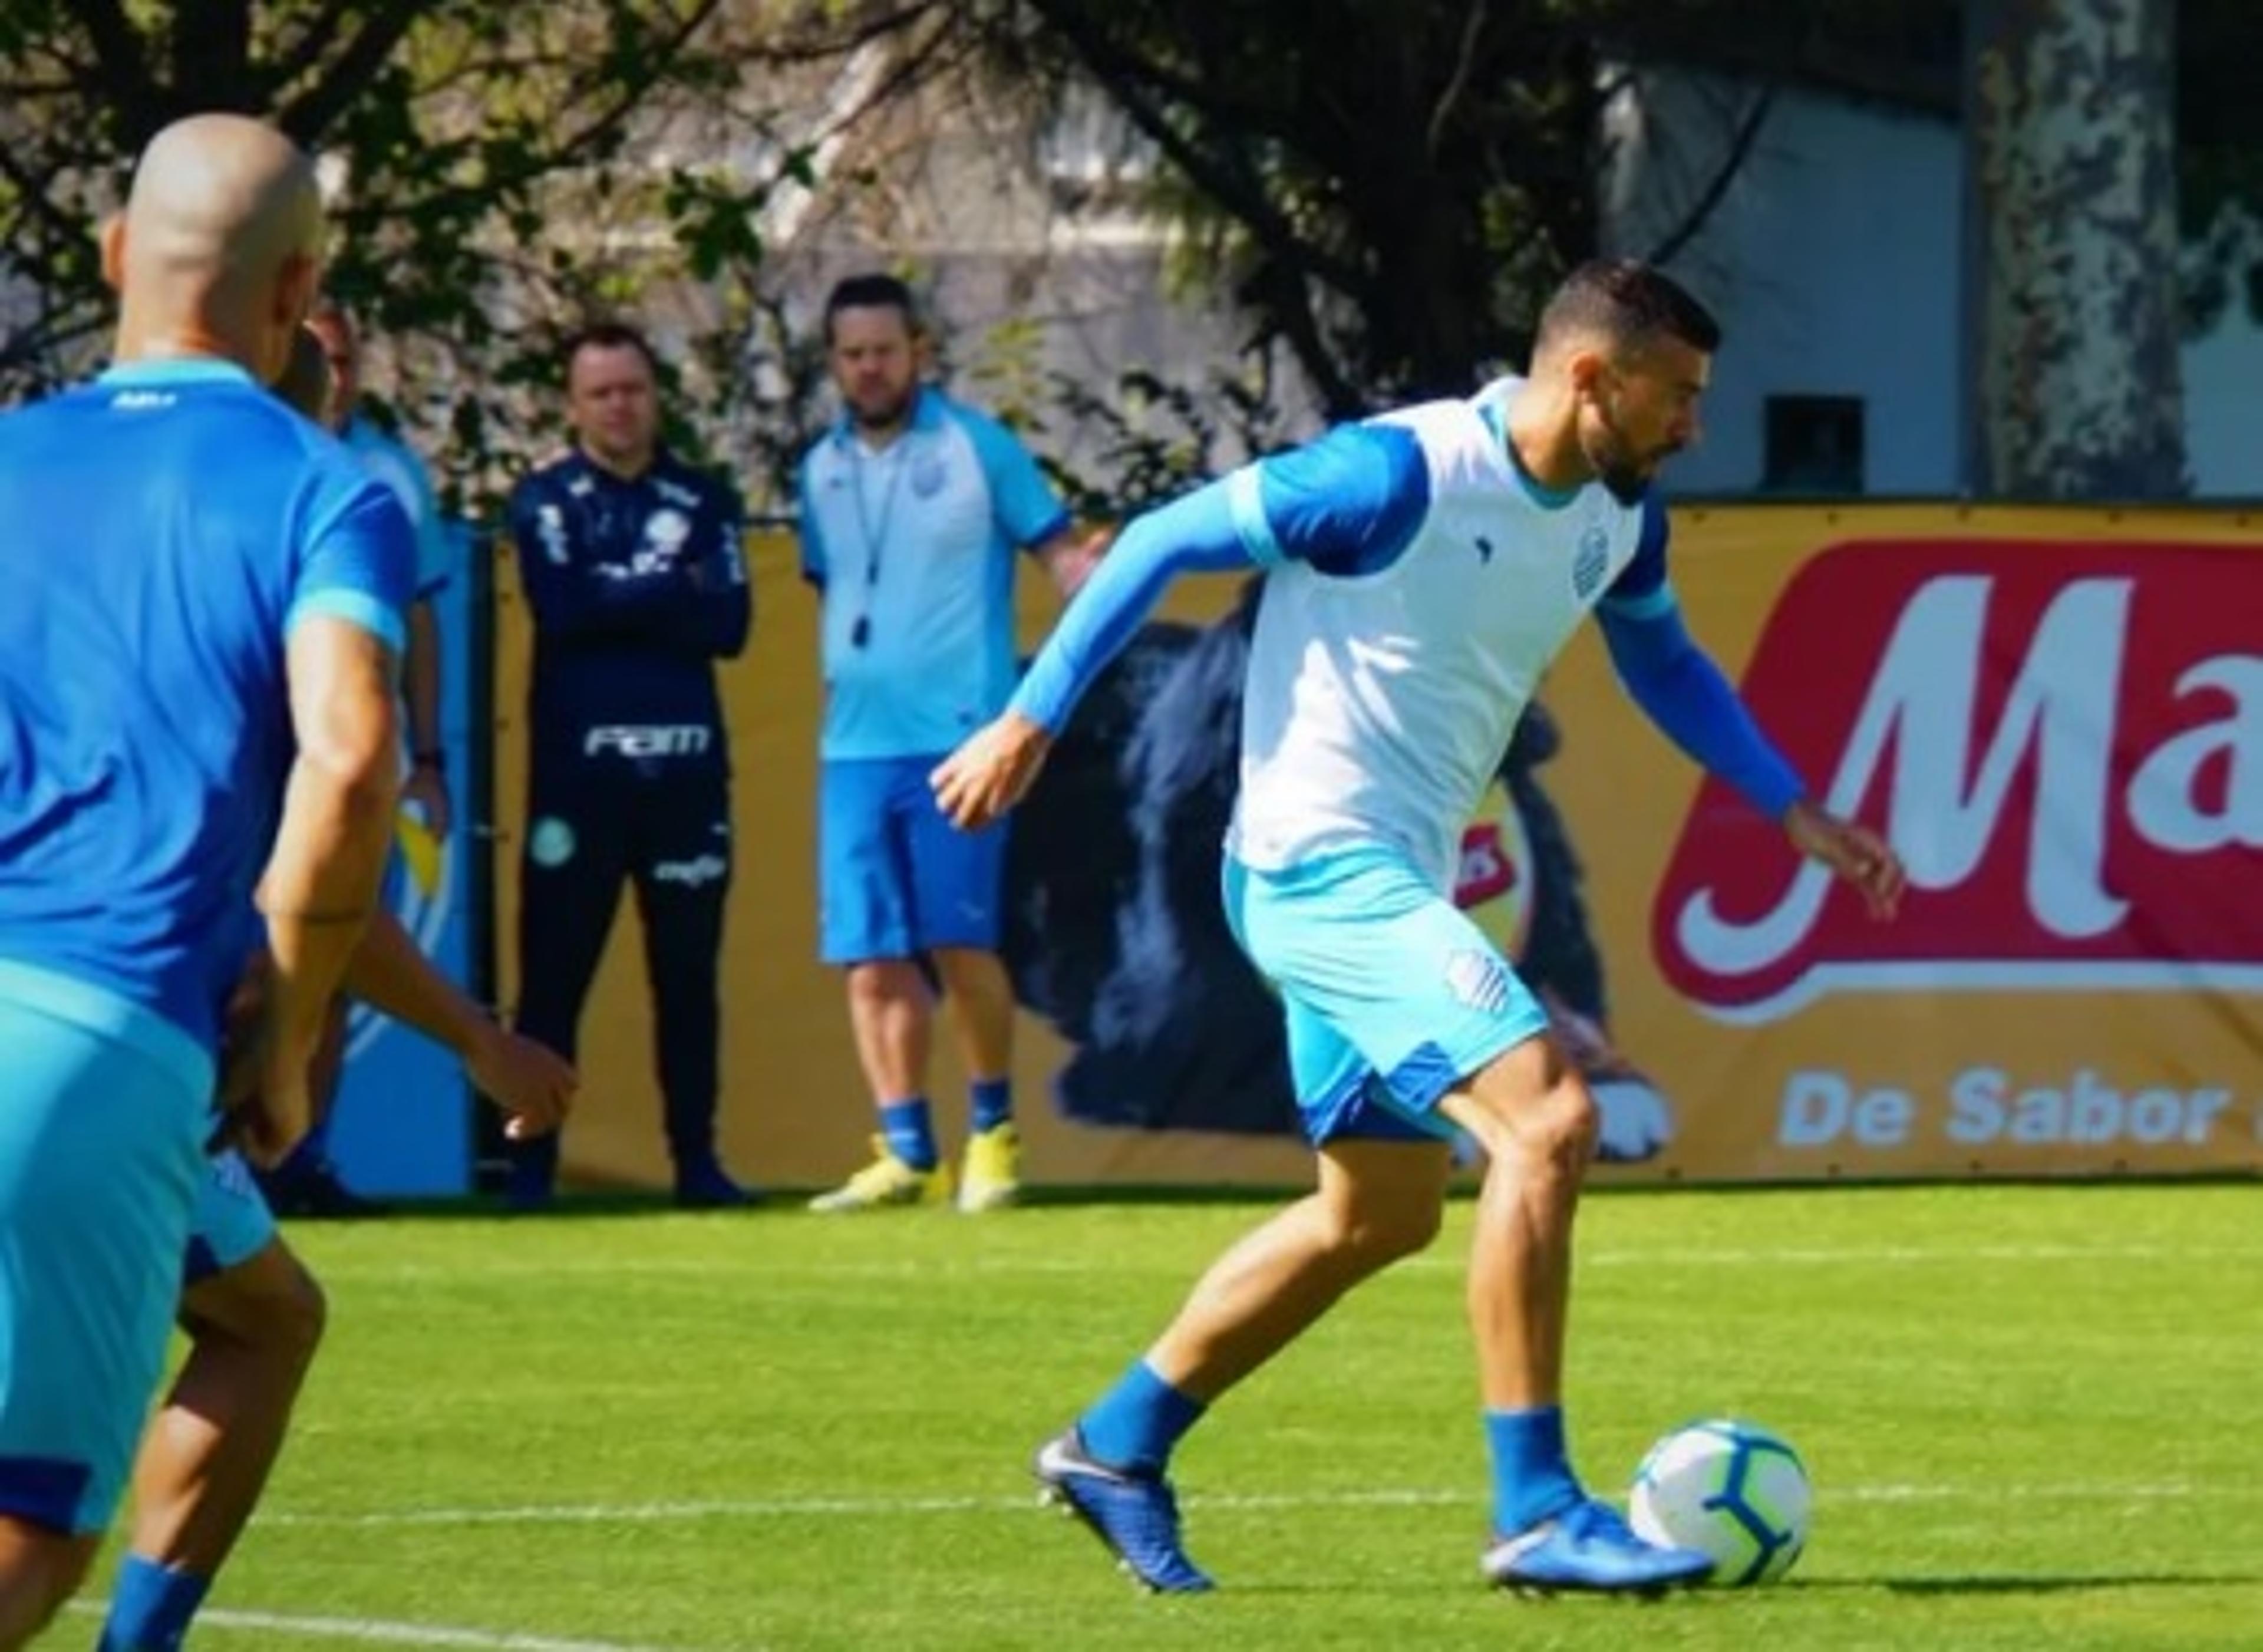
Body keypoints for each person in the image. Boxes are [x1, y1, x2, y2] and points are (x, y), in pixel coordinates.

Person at [933, 259, 1906, 1595]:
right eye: (1676, 397)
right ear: (1589, 376)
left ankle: (1113, 1446)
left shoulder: (1619, 517)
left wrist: (1789, 805)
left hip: (1389, 883)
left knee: (1378, 1211)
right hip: (1316, 872)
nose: (1694, 425)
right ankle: (1536, 1508)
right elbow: (1161, 541)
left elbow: (1664, 660)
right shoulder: (1393, 477)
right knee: (1550, 1118)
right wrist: (1029, 718)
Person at [94, 327, 578, 1652]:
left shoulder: (64, 493)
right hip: (88, 1026)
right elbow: (329, 838)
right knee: (46, 1513)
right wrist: (455, 1043)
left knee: (264, 1316)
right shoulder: (287, 544)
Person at [0, 114, 410, 1644]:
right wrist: (289, 1033)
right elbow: (351, 758)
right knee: (29, 1539)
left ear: (113, 254)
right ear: (302, 288)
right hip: (94, 1033)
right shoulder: (321, 489)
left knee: (262, 1313)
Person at [797, 273, 1098, 1214]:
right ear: (835, 363)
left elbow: (1063, 563)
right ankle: (905, 1152)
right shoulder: (818, 468)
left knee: (958, 942)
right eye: (852, 354)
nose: (869, 368)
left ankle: (993, 1136)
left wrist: (1091, 592)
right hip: (852, 751)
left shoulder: (980, 448)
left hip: (961, 745)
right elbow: (835, 593)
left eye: (885, 350)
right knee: (871, 957)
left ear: (918, 350)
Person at [506, 321, 753, 1209]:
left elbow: (728, 624)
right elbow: (563, 610)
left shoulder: (705, 499)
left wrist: (625, 595)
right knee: (553, 983)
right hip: (577, 789)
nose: (621, 407)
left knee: (687, 981)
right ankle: (531, 1170)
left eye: (634, 389)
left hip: (686, 784)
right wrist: (666, 589)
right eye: (602, 393)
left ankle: (698, 1163)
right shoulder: (544, 501)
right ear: (574, 406)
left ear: (657, 395)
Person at [259, 298, 460, 1218]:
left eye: (342, 360)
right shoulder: (253, 465)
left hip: (352, 746)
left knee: (334, 952)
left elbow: (417, 617)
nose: (330, 379)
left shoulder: (385, 473)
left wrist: (425, 754)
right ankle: (233, 1158)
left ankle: (299, 1153)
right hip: (267, 758)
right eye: (317, 359)